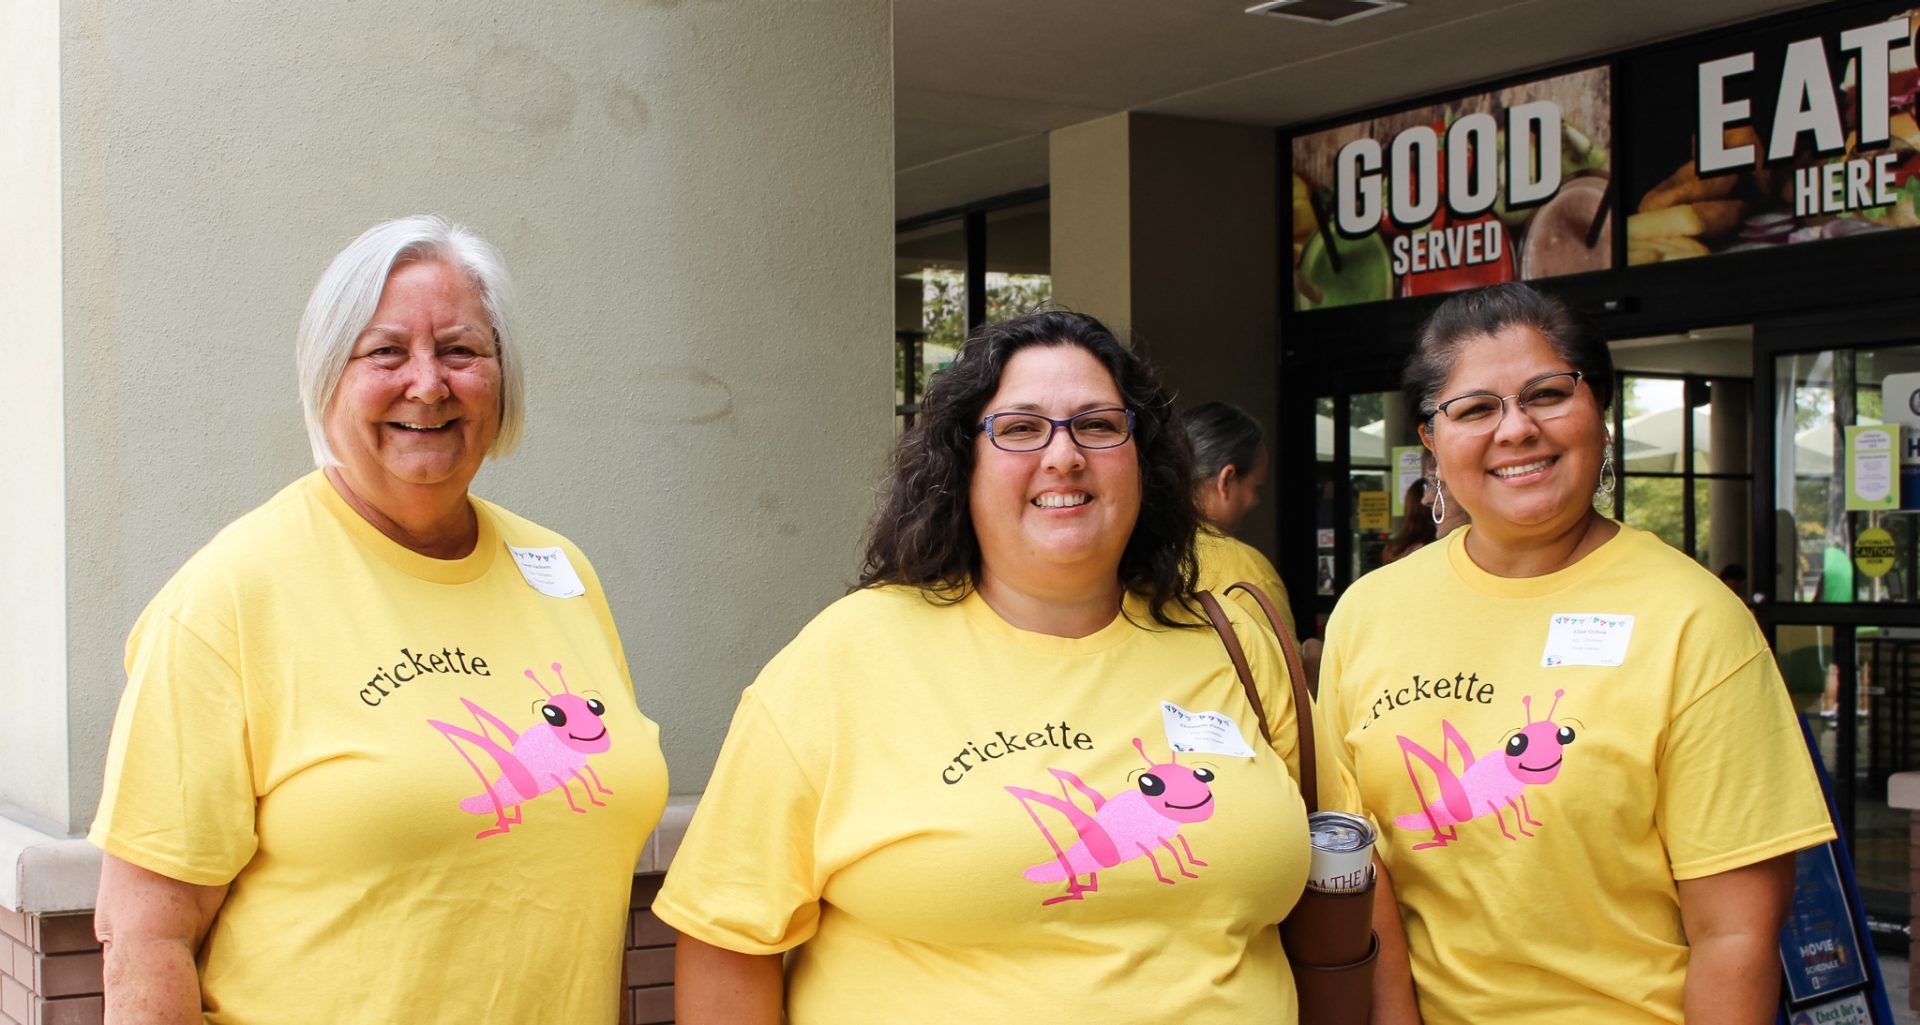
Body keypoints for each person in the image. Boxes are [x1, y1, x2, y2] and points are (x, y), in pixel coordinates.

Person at [655, 311, 1351, 1024]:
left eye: (1099, 425)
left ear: (1142, 457)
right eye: (1020, 428)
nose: (1064, 455)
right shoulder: (843, 659)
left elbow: (1355, 867)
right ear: (964, 462)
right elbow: (727, 938)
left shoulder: (1235, 642)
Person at [89, 216, 669, 1024]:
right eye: (386, 351)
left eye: (461, 350)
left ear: (502, 380)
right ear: (328, 377)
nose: (428, 384)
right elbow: (144, 932)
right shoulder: (229, 596)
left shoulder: (562, 574)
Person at [1316, 283, 1834, 1023]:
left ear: (1601, 412)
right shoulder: (1369, 611)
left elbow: (1737, 934)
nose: (1516, 428)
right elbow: (1363, 883)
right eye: (1474, 408)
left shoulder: (1694, 620)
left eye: (1548, 394)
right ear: (1431, 439)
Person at [1186, 401, 1297, 636]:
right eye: (1255, 487)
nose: (1255, 501)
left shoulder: (1128, 553)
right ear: (1226, 480)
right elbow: (1281, 671)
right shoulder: (1249, 576)